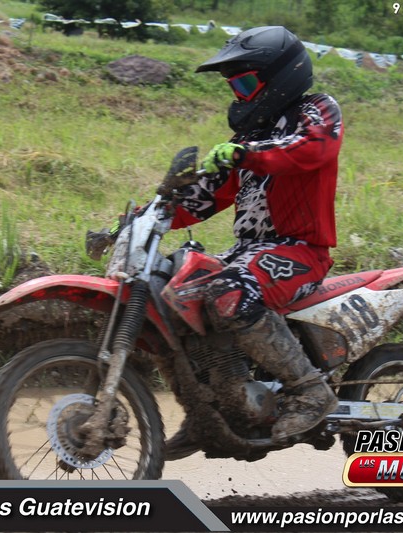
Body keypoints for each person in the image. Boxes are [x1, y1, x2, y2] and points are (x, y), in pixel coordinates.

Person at [165, 26, 344, 459]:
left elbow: (310, 149)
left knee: (229, 290)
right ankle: (208, 410)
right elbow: (205, 198)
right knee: (177, 292)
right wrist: (144, 218)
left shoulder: (317, 111)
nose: (238, 95)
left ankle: (311, 391)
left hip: (300, 250)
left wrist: (246, 155)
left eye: (244, 84)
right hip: (250, 250)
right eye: (233, 87)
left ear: (280, 76)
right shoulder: (245, 141)